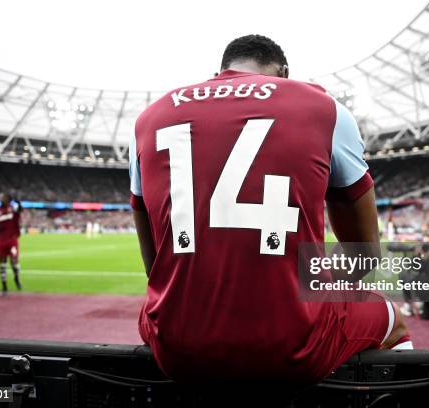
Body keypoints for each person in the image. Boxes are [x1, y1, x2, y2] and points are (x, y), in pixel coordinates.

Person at [130, 34, 410, 385]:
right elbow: (364, 252)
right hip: (289, 346)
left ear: (220, 71)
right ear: (284, 72)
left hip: (176, 347)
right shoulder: (324, 109)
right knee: (391, 320)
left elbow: (153, 264)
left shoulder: (148, 119)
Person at [0, 193, 23, 295]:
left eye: (2, 197)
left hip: (12, 239)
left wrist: (19, 203)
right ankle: (4, 286)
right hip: (1, 240)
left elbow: (20, 211)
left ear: (8, 199)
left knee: (14, 261)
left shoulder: (13, 208)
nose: (0, 199)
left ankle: (16, 278)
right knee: (2, 264)